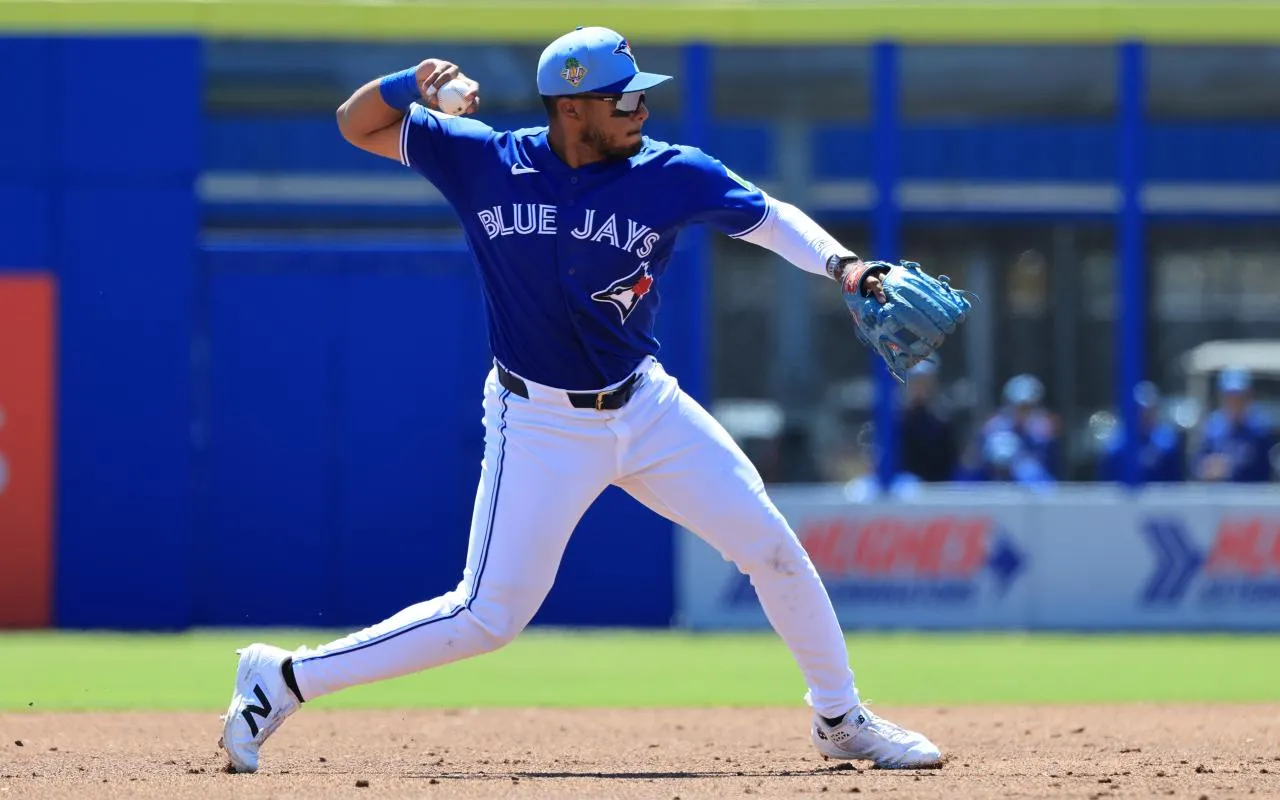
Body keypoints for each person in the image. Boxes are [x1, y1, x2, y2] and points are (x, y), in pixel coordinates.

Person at [217, 26, 942, 774]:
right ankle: (284, 677)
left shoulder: (671, 172)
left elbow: (768, 217)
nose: (640, 109)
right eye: (623, 97)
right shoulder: (483, 157)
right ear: (573, 107)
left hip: (646, 408)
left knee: (774, 553)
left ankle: (840, 718)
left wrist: (847, 269)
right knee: (487, 616)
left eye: (641, 95)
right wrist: (415, 81)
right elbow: (354, 123)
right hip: (538, 422)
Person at [1192, 369, 1276, 483]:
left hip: (1252, 496)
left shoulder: (1260, 431)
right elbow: (1196, 467)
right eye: (1230, 397)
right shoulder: (1211, 429)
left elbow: (1268, 472)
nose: (1235, 402)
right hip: (1218, 497)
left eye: (1240, 397)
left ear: (1249, 397)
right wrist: (1209, 468)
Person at [1098, 381, 1185, 483]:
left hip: (1161, 496)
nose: (1145, 416)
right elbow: (1110, 462)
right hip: (1122, 496)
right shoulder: (1118, 439)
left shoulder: (1164, 436)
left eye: (1149, 411)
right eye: (1140, 411)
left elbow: (1168, 457)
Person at [898, 361, 960, 482]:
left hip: (937, 488)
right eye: (917, 382)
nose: (921, 387)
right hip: (905, 489)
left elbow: (950, 461)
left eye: (925, 382)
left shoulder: (942, 421)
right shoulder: (898, 420)